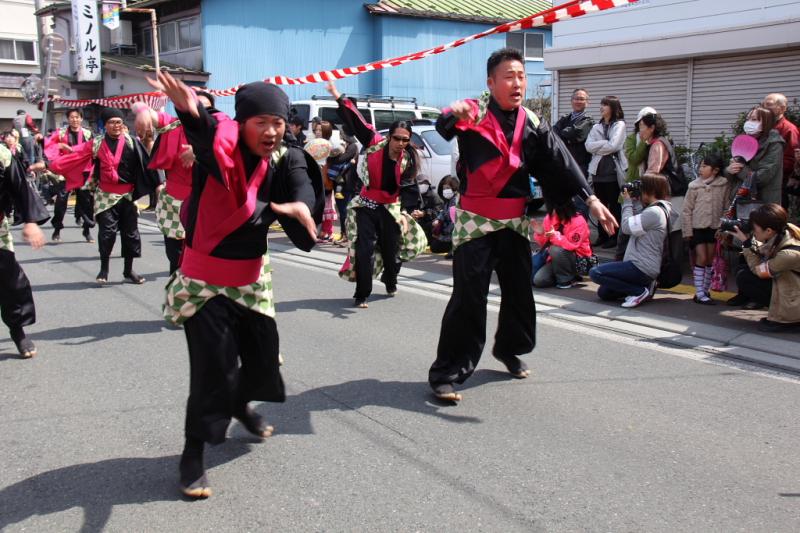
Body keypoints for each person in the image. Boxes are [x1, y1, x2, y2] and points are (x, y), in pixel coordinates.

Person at [149, 70, 323, 499]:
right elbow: (205, 132)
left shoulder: (285, 155)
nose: (270, 131)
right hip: (204, 279)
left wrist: (300, 205)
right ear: (242, 122)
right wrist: (188, 109)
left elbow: (302, 181)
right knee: (213, 369)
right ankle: (192, 455)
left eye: (278, 122)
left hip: (250, 278)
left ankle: (240, 405)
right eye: (260, 121)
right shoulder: (218, 148)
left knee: (265, 363)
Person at [428, 48, 617, 402]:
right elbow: (444, 126)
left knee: (519, 291)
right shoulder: (475, 112)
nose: (517, 83)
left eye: (522, 76)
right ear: (491, 82)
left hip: (514, 221)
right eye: (509, 76)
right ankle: (446, 372)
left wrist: (590, 198)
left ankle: (508, 348)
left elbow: (559, 158)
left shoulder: (530, 119)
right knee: (469, 298)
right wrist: (455, 112)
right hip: (475, 222)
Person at [327, 81, 426, 309]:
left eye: (405, 140)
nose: (400, 143)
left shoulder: (408, 160)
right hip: (366, 205)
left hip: (391, 209)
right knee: (364, 249)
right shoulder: (373, 144)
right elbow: (357, 119)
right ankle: (361, 293)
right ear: (389, 137)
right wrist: (338, 97)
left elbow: (409, 188)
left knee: (392, 253)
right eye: (397, 138)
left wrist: (406, 211)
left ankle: (390, 280)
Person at [50, 108, 161, 284]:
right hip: (105, 195)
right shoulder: (96, 143)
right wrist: (54, 164)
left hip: (127, 195)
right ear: (105, 125)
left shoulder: (132, 142)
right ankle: (104, 269)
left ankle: (128, 270)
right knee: (106, 233)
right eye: (111, 122)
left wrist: (158, 185)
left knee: (131, 234)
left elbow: (148, 163)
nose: (116, 126)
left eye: (119, 122)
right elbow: (77, 155)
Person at [140, 91, 226, 274]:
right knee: (175, 256)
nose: (199, 112)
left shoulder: (222, 133)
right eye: (194, 105)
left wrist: (203, 153)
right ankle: (177, 288)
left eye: (205, 108)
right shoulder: (173, 125)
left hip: (206, 204)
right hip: (173, 203)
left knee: (203, 256)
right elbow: (150, 114)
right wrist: (141, 111)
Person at [590, 174, 676, 308]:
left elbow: (626, 227)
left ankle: (639, 291)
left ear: (651, 191)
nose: (639, 191)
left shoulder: (655, 212)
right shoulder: (656, 209)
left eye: (641, 188)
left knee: (595, 273)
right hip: (642, 265)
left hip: (641, 266)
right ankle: (644, 286)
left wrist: (627, 202)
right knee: (604, 292)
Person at [0, 132, 48, 358]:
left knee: (12, 284)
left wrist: (30, 221)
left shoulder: (2, 154)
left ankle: (18, 332)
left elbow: (20, 188)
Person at [727, 203, 800, 332]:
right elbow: (763, 251)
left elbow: (760, 271)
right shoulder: (786, 231)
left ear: (768, 231)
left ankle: (790, 321)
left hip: (794, 297)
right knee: (743, 270)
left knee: (745, 277)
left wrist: (746, 244)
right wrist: (748, 241)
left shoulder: (788, 254)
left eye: (754, 228)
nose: (753, 232)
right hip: (791, 285)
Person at [681, 152, 730, 304]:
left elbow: (726, 208)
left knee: (710, 259)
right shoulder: (694, 186)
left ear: (715, 170)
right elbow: (686, 210)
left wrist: (724, 229)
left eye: (704, 166)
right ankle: (700, 292)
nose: (700, 169)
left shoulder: (723, 184)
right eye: (700, 166)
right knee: (701, 257)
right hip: (697, 228)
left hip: (715, 228)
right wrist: (687, 231)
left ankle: (705, 291)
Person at [44, 108, 95, 244]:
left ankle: (87, 230)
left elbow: (95, 150)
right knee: (61, 202)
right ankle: (57, 229)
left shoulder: (88, 133)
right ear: (68, 119)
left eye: (77, 117)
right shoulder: (60, 133)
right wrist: (60, 146)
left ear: (81, 118)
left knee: (86, 203)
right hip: (65, 172)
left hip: (82, 172)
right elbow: (48, 146)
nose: (74, 119)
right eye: (72, 117)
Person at [585, 95, 627, 249]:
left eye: (605, 105)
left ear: (613, 107)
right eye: (601, 104)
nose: (602, 107)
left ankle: (614, 236)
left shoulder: (619, 125)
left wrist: (600, 145)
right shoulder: (597, 126)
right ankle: (602, 235)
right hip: (597, 172)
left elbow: (614, 146)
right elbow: (588, 146)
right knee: (600, 206)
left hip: (613, 172)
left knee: (614, 207)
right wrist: (604, 143)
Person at [725, 106, 784, 205]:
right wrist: (729, 171)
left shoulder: (774, 144)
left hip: (763, 203)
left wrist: (741, 169)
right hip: (740, 200)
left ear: (766, 122)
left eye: (754, 119)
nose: (749, 122)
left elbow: (762, 178)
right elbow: (732, 175)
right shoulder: (743, 141)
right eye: (748, 119)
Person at [532, 199, 592, 289]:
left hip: (577, 259)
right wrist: (541, 233)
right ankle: (567, 276)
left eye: (553, 208)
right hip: (555, 259)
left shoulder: (578, 221)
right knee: (539, 280)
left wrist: (555, 235)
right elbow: (545, 244)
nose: (551, 211)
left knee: (555, 249)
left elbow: (572, 245)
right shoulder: (549, 218)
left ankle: (565, 280)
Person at [762, 93, 799, 207]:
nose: (764, 108)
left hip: (777, 182)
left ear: (782, 108)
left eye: (769, 105)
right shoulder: (764, 126)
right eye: (763, 104)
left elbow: (790, 160)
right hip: (762, 178)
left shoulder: (789, 129)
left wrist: (767, 170)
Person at [553, 88, 594, 176]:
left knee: (577, 189)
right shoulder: (565, 118)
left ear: (587, 102)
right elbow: (553, 132)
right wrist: (565, 135)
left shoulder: (588, 120)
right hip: (563, 162)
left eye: (582, 99)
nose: (578, 101)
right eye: (576, 98)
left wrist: (563, 134)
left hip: (580, 165)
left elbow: (574, 133)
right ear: (571, 101)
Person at [331, 131, 359, 246]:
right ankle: (345, 234)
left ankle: (346, 235)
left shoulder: (353, 147)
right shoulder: (347, 146)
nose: (341, 137)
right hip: (341, 182)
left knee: (344, 211)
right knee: (344, 210)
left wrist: (332, 158)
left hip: (346, 184)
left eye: (342, 134)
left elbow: (340, 159)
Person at [410, 176, 443, 241]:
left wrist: (424, 213)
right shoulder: (413, 195)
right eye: (421, 183)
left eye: (425, 183)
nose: (423, 185)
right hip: (415, 222)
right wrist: (412, 213)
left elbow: (438, 212)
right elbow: (408, 207)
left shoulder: (434, 196)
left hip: (428, 224)